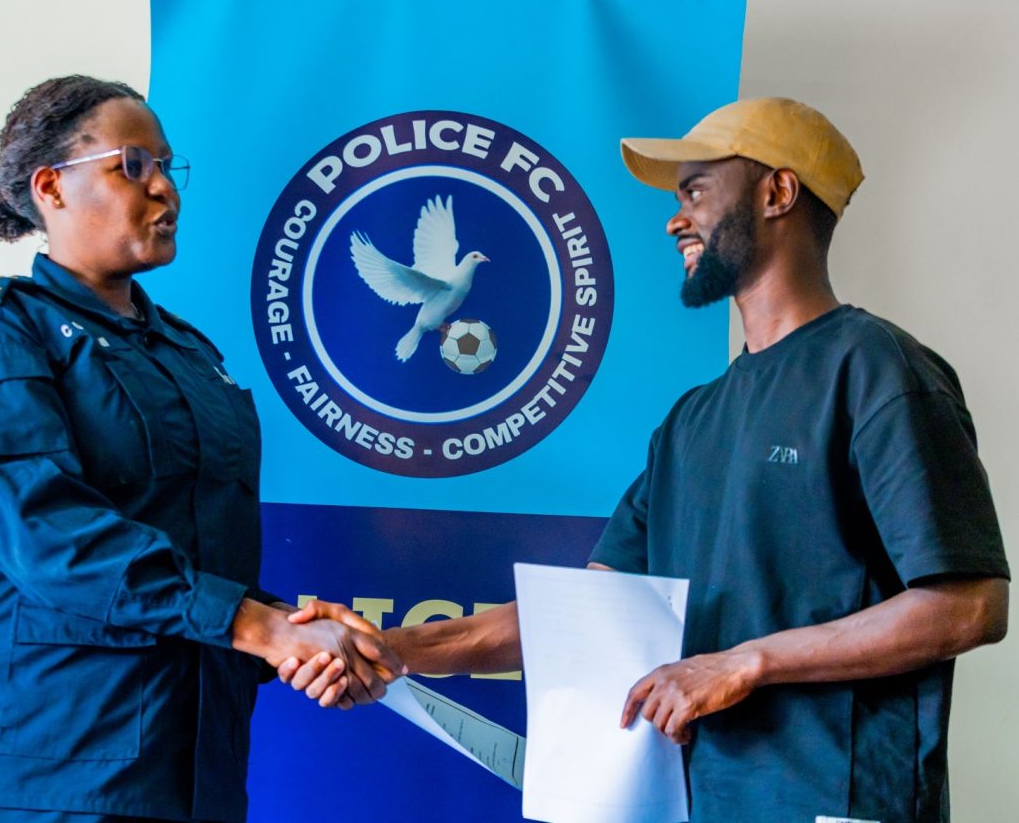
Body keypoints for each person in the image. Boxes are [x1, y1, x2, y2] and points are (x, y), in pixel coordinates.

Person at [282, 97, 1010, 823]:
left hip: (839, 806)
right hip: (703, 806)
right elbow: (582, 616)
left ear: (778, 193)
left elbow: (968, 605)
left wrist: (745, 662)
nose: (675, 219)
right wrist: (386, 649)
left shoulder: (876, 369)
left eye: (696, 191)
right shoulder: (692, 421)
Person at [0, 75, 402, 823]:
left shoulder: (191, 356)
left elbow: (196, 558)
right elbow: (49, 535)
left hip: (191, 767)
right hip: (45, 779)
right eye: (132, 165)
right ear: (51, 187)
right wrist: (260, 628)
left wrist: (297, 632)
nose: (164, 189)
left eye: (167, 166)